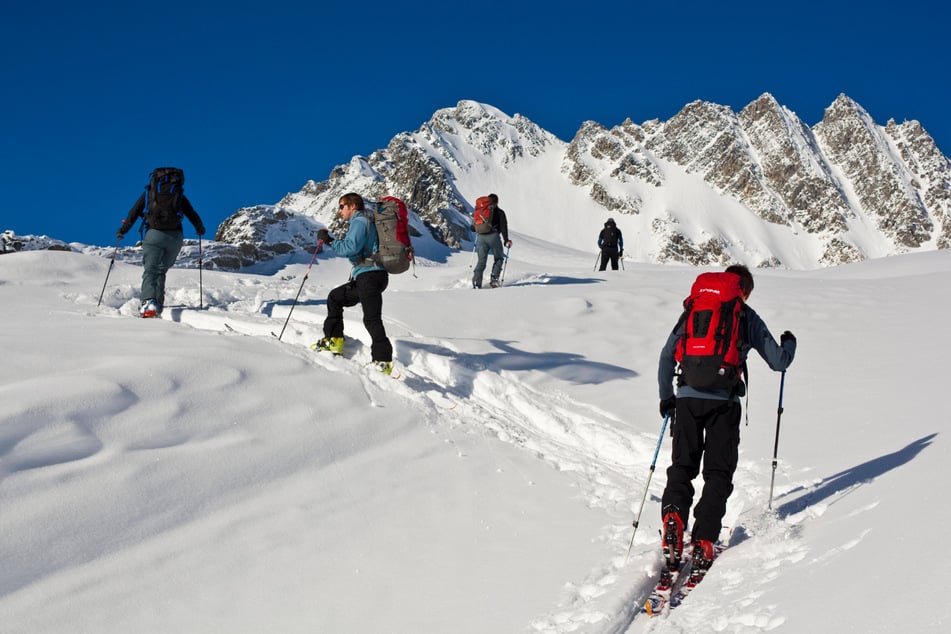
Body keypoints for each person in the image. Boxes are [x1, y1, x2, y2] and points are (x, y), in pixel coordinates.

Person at [657, 264, 796, 579]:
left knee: (682, 468)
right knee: (718, 473)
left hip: (687, 400)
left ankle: (673, 520)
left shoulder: (695, 310)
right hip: (724, 404)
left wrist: (667, 398)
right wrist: (789, 345)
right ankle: (704, 540)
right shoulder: (744, 316)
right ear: (744, 290)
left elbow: (667, 356)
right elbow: (778, 362)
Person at [311, 192, 394, 375]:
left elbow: (350, 248)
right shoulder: (366, 220)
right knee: (335, 297)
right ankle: (334, 340)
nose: (339, 211)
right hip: (368, 276)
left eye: (342, 206)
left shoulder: (360, 221)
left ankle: (383, 362)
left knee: (372, 319)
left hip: (370, 276)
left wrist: (329, 241)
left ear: (352, 206)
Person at [116, 169, 205, 318]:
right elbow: (193, 215)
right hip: (175, 237)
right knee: (161, 270)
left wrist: (122, 231)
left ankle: (148, 303)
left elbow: (133, 214)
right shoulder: (179, 195)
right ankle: (158, 302)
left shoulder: (149, 194)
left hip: (154, 235)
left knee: (151, 270)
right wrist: (199, 228)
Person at [472, 193, 512, 288]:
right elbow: (503, 227)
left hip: (481, 237)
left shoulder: (481, 211)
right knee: (499, 258)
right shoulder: (500, 212)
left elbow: (473, 226)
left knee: (481, 261)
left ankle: (477, 282)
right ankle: (494, 279)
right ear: (497, 202)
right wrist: (506, 240)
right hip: (493, 236)